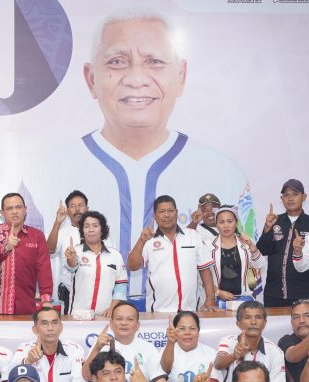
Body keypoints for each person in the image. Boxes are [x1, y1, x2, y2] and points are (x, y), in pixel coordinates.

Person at [17, 9, 254, 297]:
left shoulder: (226, 175)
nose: (137, 78)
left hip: (182, 316)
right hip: (85, 314)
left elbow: (251, 268)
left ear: (181, 75)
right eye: (117, 62)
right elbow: (30, 266)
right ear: (91, 78)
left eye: (155, 61)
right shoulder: (42, 176)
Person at [127, 195, 216, 312]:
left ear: (177, 212)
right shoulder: (148, 240)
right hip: (158, 312)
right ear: (155, 215)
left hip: (190, 311)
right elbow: (132, 266)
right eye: (162, 212)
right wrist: (141, 240)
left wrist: (210, 298)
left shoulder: (193, 235)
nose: (167, 215)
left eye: (170, 211)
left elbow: (205, 270)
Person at [9, 307, 85, 382]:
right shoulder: (24, 349)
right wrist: (28, 361)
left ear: (61, 327)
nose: (50, 328)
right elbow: (11, 377)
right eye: (44, 323)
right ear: (35, 329)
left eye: (54, 323)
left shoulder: (74, 349)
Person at [209, 301, 287, 382]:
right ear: (238, 323)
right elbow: (218, 364)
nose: (253, 322)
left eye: (258, 317)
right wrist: (234, 355)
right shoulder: (228, 341)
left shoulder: (275, 351)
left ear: (265, 323)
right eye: (247, 317)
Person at [0, 193, 53, 315]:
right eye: (9, 208)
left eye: (18, 207)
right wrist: (7, 247)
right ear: (2, 212)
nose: (14, 212)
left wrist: (46, 300)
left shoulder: (36, 236)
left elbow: (44, 268)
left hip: (26, 305)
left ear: (25, 210)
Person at [63, 210, 127, 317]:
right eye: (87, 226)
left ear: (102, 230)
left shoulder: (115, 255)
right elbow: (72, 266)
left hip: (105, 316)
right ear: (82, 231)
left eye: (95, 226)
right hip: (78, 316)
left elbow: (121, 286)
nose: (91, 229)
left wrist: (113, 308)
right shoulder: (76, 251)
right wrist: (71, 257)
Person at [256, 179, 309, 307]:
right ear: (282, 199)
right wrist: (267, 228)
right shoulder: (275, 221)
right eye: (286, 195)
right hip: (273, 294)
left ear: (304, 197)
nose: (290, 198)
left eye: (295, 194)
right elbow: (262, 250)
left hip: (302, 293)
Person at [210, 206, 265, 304]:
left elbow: (259, 265)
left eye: (230, 221)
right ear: (216, 224)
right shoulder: (208, 245)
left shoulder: (245, 242)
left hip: (244, 299)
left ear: (236, 223)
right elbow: (202, 277)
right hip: (217, 300)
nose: (226, 225)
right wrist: (218, 292)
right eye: (221, 222)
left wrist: (251, 245)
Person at [46, 190, 88, 311]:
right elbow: (49, 250)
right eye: (73, 206)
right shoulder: (62, 233)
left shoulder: (99, 233)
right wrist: (57, 223)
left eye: (81, 205)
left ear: (87, 209)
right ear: (68, 212)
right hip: (69, 293)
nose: (77, 209)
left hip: (96, 291)